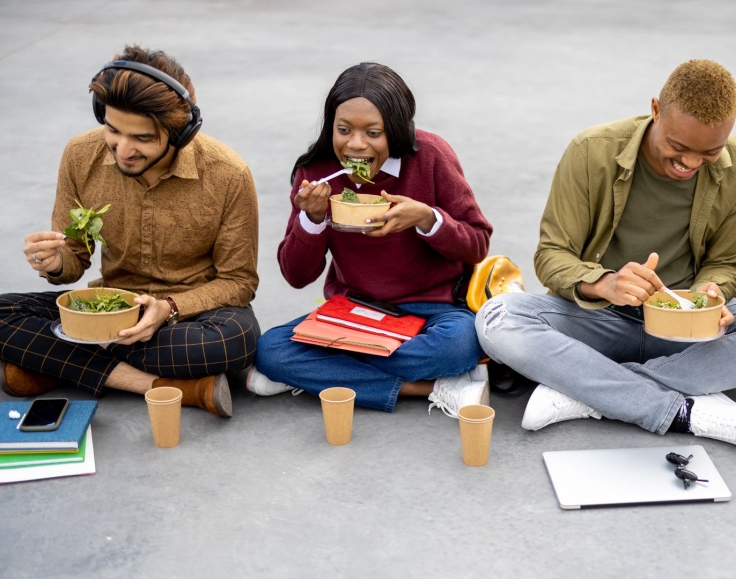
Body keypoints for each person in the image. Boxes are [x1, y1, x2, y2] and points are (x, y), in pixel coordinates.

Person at [475, 60, 736, 453]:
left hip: (688, 333)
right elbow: (552, 256)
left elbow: (726, 262)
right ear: (655, 109)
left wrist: (711, 292)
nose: (689, 163)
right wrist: (607, 283)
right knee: (498, 317)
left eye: (709, 152)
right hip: (598, 320)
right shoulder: (591, 151)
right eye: (678, 147)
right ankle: (684, 411)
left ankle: (587, 391)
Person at [0, 45, 260, 417]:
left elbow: (239, 282)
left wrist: (169, 308)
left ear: (180, 132)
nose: (123, 150)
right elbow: (74, 260)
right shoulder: (80, 155)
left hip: (188, 318)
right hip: (108, 310)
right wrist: (56, 262)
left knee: (237, 340)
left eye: (142, 138)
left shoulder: (229, 175)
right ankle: (162, 386)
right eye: (112, 130)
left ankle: (52, 360)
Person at [249, 63, 493, 416]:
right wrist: (312, 219)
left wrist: (427, 218)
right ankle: (428, 388)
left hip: (435, 310)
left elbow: (477, 243)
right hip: (355, 309)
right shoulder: (316, 174)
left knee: (457, 346)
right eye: (343, 129)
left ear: (395, 130)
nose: (356, 145)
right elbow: (296, 275)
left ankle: (320, 376)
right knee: (271, 350)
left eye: (373, 132)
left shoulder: (431, 156)